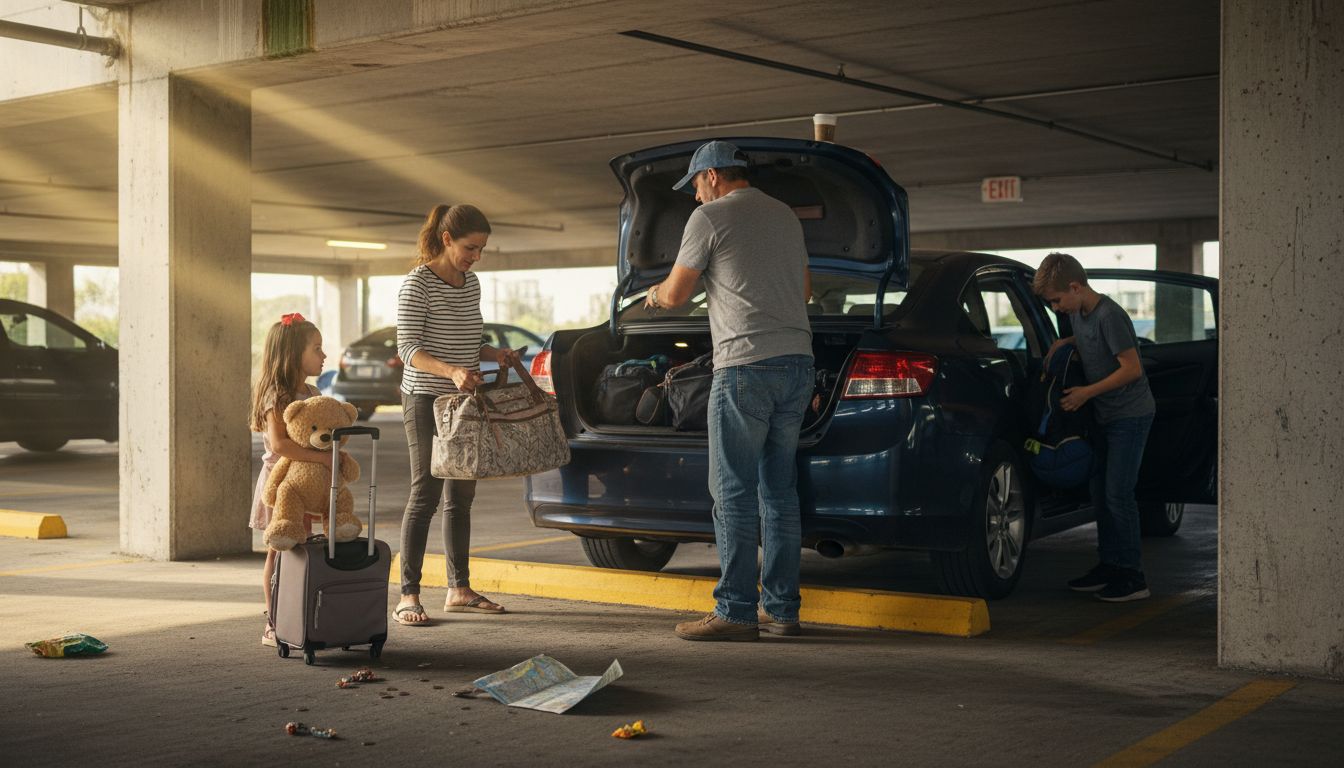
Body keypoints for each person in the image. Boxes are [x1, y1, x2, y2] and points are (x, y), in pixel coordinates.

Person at [647, 140, 815, 641]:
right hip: (798, 365)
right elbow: (803, 291)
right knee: (779, 493)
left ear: (714, 176)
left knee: (733, 492)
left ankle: (736, 611)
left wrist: (653, 295)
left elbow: (676, 294)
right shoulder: (785, 215)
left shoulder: (711, 217)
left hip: (746, 367)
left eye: (696, 185)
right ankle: (782, 610)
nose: (696, 197)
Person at [392, 203, 521, 626]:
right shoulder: (417, 284)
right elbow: (408, 350)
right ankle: (408, 594)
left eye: (482, 250)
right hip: (426, 399)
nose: (475, 257)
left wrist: (492, 353)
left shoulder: (471, 283)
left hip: (465, 400)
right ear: (446, 239)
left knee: (461, 496)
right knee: (426, 493)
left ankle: (458, 588)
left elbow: (468, 339)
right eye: (470, 248)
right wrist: (451, 371)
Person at [1033, 252, 1156, 602]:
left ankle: (1133, 577)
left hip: (1130, 416)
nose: (1056, 308)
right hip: (1105, 417)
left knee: (1119, 494)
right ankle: (1110, 565)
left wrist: (1087, 393)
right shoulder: (1080, 314)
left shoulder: (1110, 315)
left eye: (1057, 300)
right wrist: (1066, 341)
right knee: (1100, 494)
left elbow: (1132, 368)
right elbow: (1090, 340)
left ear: (1075, 287)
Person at [248, 312, 337, 646]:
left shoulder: (312, 391)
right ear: (292, 355)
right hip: (281, 485)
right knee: (280, 550)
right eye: (316, 348)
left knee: (300, 549)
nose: (323, 355)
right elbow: (282, 444)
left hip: (306, 484)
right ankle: (273, 624)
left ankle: (296, 618)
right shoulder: (278, 394)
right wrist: (322, 458)